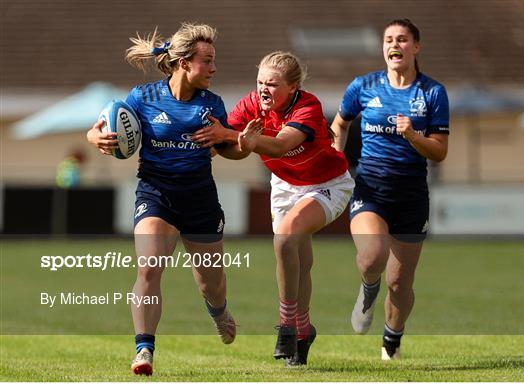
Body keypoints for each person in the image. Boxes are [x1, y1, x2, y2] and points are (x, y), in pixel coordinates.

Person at [86, 23, 261, 376]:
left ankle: (219, 311)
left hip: (199, 200)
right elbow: (98, 128)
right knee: (148, 267)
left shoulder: (212, 103)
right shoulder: (142, 97)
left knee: (210, 283)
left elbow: (228, 151)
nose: (213, 68)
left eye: (214, 61)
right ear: (183, 62)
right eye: (207, 61)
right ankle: (143, 350)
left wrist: (243, 143)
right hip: (155, 195)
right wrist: (97, 139)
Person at [191, 51, 354, 366]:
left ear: (292, 88)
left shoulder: (308, 106)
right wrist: (212, 147)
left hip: (326, 185)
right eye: (260, 82)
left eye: (273, 84)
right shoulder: (252, 104)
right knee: (299, 262)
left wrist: (229, 135)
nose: (263, 89)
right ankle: (304, 330)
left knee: (284, 240)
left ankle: (286, 325)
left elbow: (279, 144)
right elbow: (234, 150)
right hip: (284, 184)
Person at [330, 19, 449, 360]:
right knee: (372, 256)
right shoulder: (363, 86)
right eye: (388, 40)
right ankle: (367, 291)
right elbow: (340, 123)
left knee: (400, 283)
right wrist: (336, 157)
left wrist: (414, 136)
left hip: (412, 196)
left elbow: (440, 152)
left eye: (402, 39)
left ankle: (391, 343)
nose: (394, 45)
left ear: (416, 46)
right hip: (371, 188)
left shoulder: (432, 93)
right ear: (383, 47)